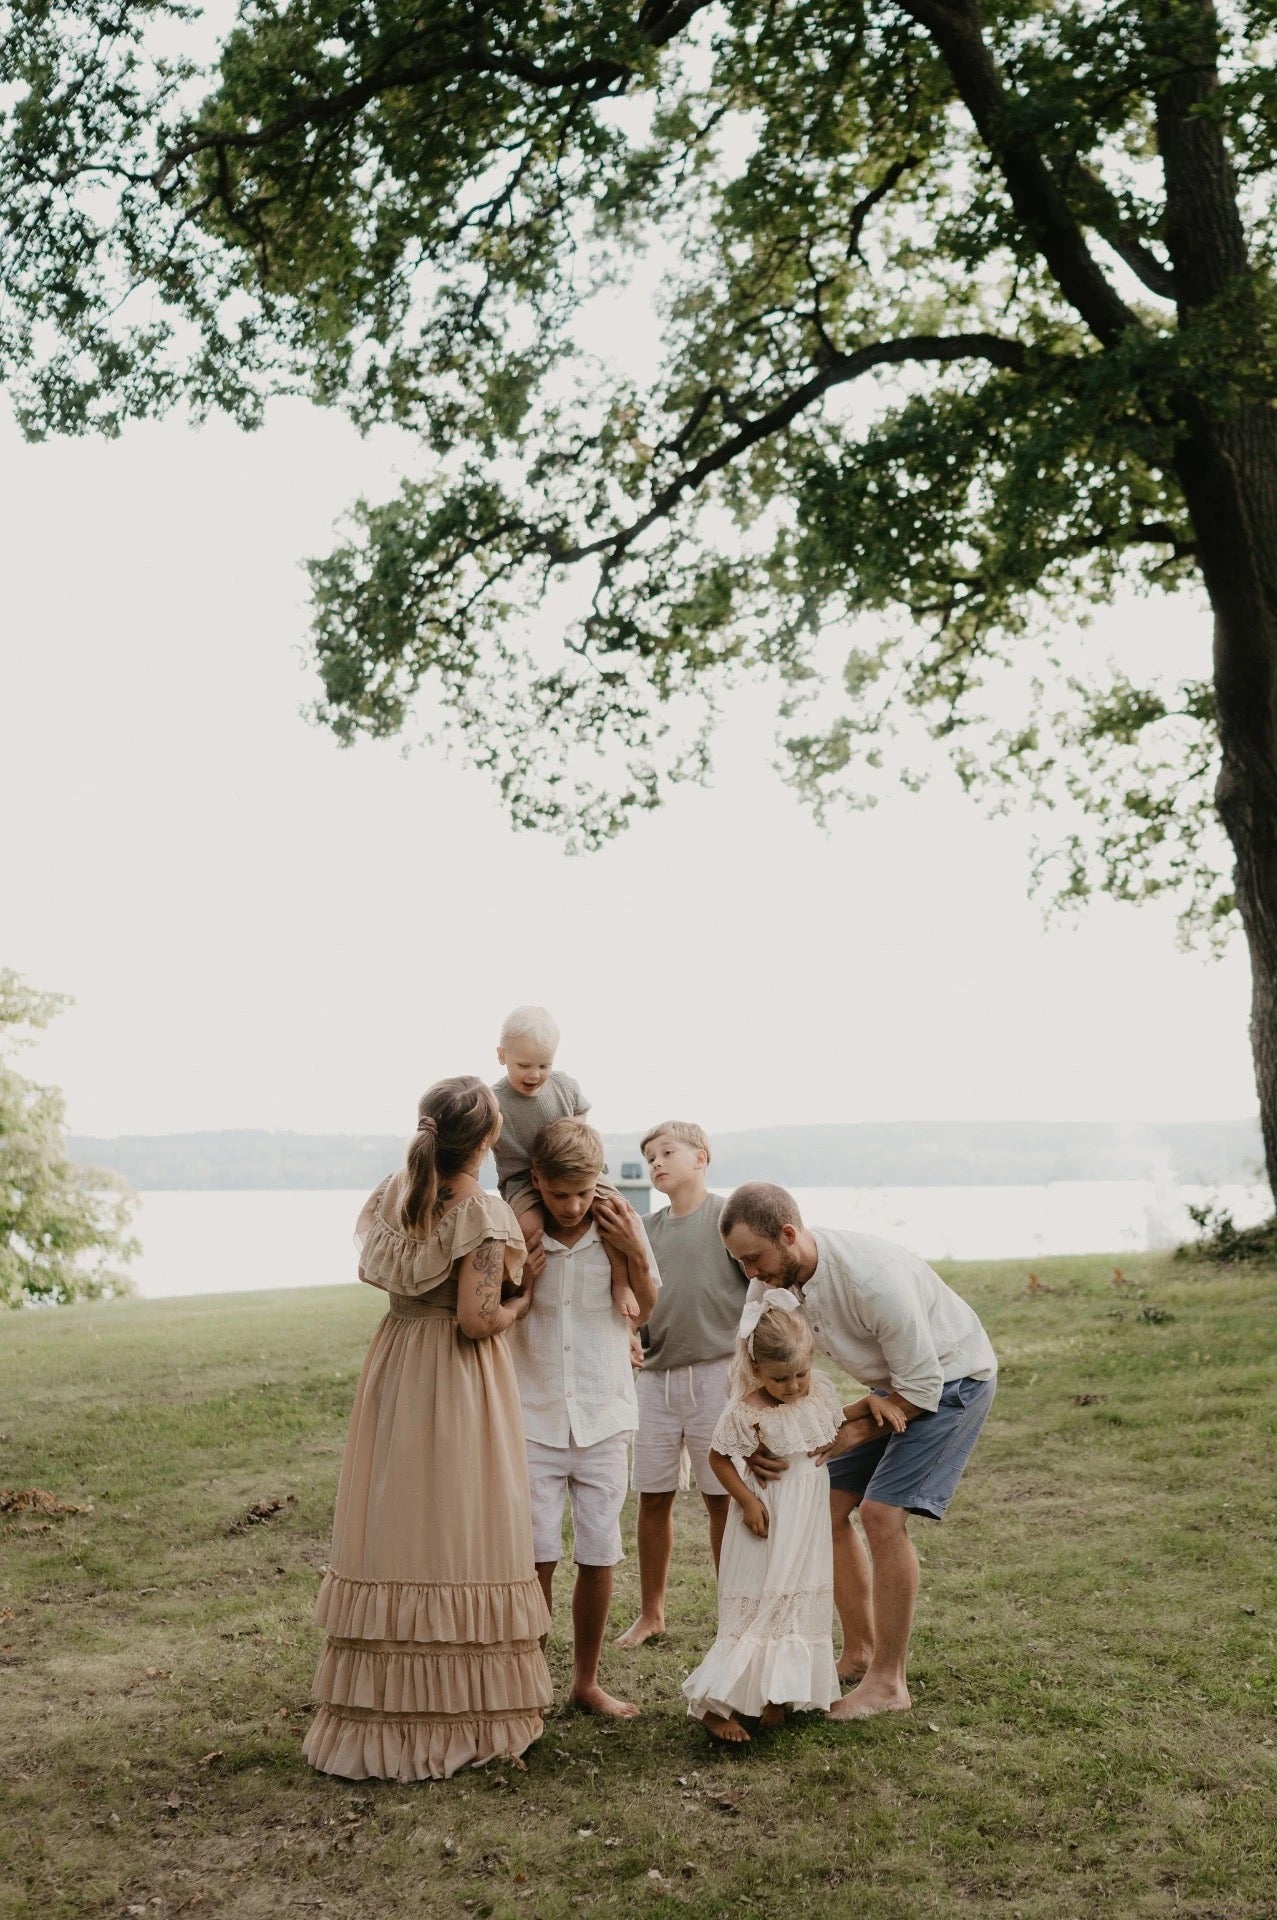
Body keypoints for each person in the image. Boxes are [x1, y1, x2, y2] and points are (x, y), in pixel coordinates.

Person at [303, 1077, 553, 1781]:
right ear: (485, 1139)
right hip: (456, 1377)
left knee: (398, 1522)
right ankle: (464, 1715)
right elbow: (477, 1322)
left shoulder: (393, 1192)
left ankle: (379, 1711)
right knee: (458, 1524)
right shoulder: (485, 1212)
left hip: (396, 1366)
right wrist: (522, 1302)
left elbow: (374, 1272)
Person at [719, 1182, 998, 1721]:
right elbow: (746, 1367)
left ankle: (889, 1682)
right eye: (739, 1263)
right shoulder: (768, 1285)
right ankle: (860, 1651)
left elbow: (920, 1387)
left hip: (951, 1380)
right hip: (892, 1381)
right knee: (825, 1507)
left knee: (880, 1512)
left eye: (754, 1259)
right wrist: (752, 1437)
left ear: (789, 1235)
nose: (749, 1274)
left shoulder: (873, 1282)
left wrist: (846, 1431)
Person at [682, 1292, 900, 1742]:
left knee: (796, 1599)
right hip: (768, 1517)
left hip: (806, 1520)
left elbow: (828, 1420)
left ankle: (775, 1697)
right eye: (781, 1379)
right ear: (757, 1370)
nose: (795, 1385)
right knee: (761, 1602)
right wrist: (745, 1500)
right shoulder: (747, 1411)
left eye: (801, 1373)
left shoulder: (815, 1390)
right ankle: (714, 1705)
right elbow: (718, 1459)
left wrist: (870, 1404)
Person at [507, 1116, 659, 1718]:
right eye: (558, 1193)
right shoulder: (521, 1237)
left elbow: (646, 1307)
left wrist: (635, 1255)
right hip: (533, 1417)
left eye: (583, 1192)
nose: (571, 1207)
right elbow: (498, 1314)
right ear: (536, 1181)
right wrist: (521, 1282)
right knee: (537, 1556)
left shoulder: (619, 1226)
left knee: (598, 1552)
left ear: (598, 1182)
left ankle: (586, 1681)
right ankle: (533, 1682)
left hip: (603, 1414)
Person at [614, 1121, 748, 1649]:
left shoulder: (728, 1219)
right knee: (653, 1496)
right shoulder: (645, 1229)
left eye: (667, 1152)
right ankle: (652, 1613)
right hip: (655, 1379)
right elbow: (627, 1295)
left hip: (718, 1375)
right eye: (649, 1158)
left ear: (702, 1158)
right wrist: (628, 1331)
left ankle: (732, 1613)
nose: (656, 1164)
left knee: (721, 1499)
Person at [492, 1003, 641, 1324]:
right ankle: (525, 1289)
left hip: (574, 1171)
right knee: (528, 1229)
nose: (534, 1075)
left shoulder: (563, 1086)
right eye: (524, 1065)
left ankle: (620, 1281)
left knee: (613, 1210)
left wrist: (573, 1145)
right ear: (502, 1055)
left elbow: (580, 1121)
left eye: (544, 1065)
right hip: (521, 1178)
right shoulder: (495, 1101)